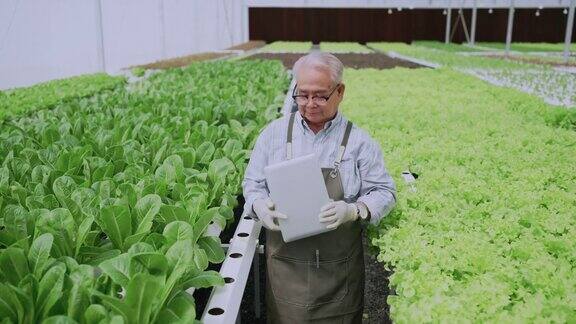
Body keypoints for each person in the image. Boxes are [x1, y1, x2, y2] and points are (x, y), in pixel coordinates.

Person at [242, 51, 397, 324]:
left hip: (339, 278)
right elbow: (252, 184)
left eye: (320, 95)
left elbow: (385, 191)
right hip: (286, 273)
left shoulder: (359, 142)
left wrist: (354, 210)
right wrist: (258, 205)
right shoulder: (273, 135)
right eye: (302, 95)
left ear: (340, 92)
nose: (310, 103)